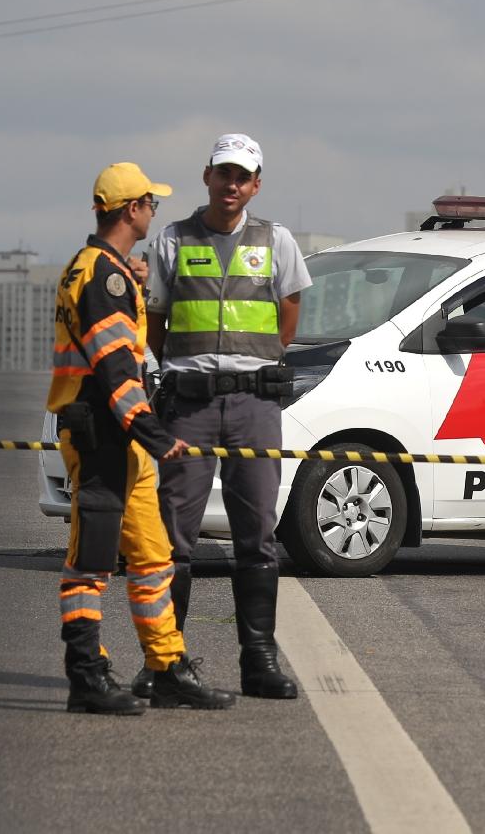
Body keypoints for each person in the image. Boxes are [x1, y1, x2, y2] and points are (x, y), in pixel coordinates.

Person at [48, 161, 237, 714]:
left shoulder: (100, 269)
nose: (155, 210)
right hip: (103, 436)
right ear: (132, 209)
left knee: (153, 559)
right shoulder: (101, 276)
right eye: (151, 202)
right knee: (90, 564)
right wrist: (152, 432)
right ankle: (86, 677)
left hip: (120, 440)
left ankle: (167, 666)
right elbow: (113, 368)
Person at [138, 133, 311, 701]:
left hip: (254, 404)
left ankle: (258, 661)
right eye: (223, 174)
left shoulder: (276, 241)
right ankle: (166, 662)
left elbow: (288, 318)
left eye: (243, 177)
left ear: (256, 185)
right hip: (188, 402)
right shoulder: (172, 240)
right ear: (206, 177)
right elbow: (156, 323)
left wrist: (250, 365)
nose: (231, 185)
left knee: (257, 534)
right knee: (173, 535)